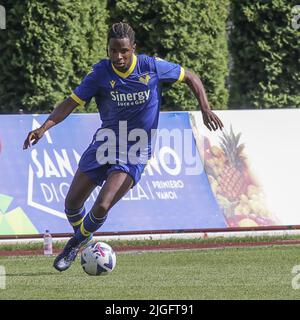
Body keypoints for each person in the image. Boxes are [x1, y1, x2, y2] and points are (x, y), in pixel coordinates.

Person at [23, 22, 223, 272]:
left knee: (103, 204)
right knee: (72, 204)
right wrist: (44, 127)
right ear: (107, 50)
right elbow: (71, 102)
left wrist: (204, 107)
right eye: (113, 50)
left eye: (124, 51)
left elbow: (191, 76)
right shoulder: (100, 74)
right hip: (105, 144)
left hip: (136, 150)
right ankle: (87, 240)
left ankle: (74, 246)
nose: (118, 56)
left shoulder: (151, 66)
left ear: (133, 49)